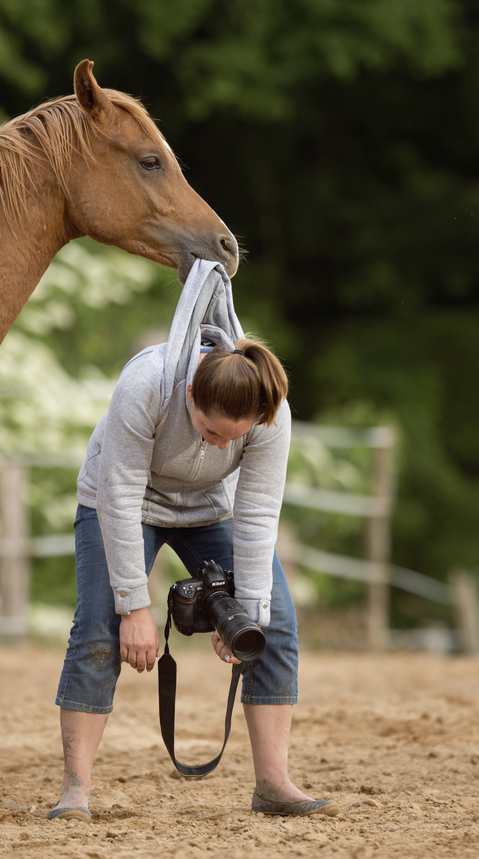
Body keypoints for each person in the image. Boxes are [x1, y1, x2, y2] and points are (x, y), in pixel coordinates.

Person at [48, 259, 339, 822]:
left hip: (210, 509)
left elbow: (255, 515)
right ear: (189, 396)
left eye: (232, 439)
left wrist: (245, 615)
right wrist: (136, 605)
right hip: (122, 503)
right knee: (99, 622)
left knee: (274, 620)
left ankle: (274, 783)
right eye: (208, 431)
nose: (218, 443)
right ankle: (75, 789)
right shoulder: (146, 385)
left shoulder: (268, 417)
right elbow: (120, 493)